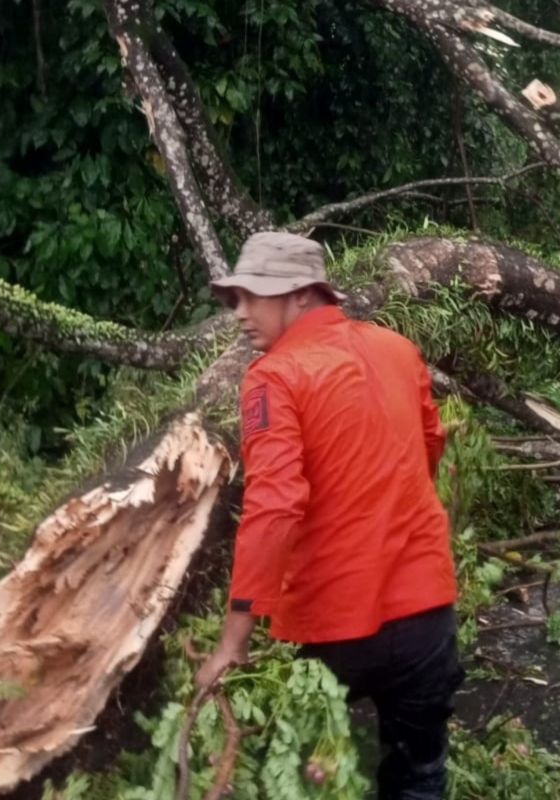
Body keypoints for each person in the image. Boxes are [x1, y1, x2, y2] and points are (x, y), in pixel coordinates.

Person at [195, 232, 462, 799]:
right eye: (233, 299)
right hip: (426, 615)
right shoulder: (398, 349)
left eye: (251, 296)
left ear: (300, 294)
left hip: (335, 625)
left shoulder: (274, 377)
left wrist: (233, 638)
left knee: (308, 780)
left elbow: (274, 507)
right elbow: (429, 446)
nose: (239, 313)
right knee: (420, 777)